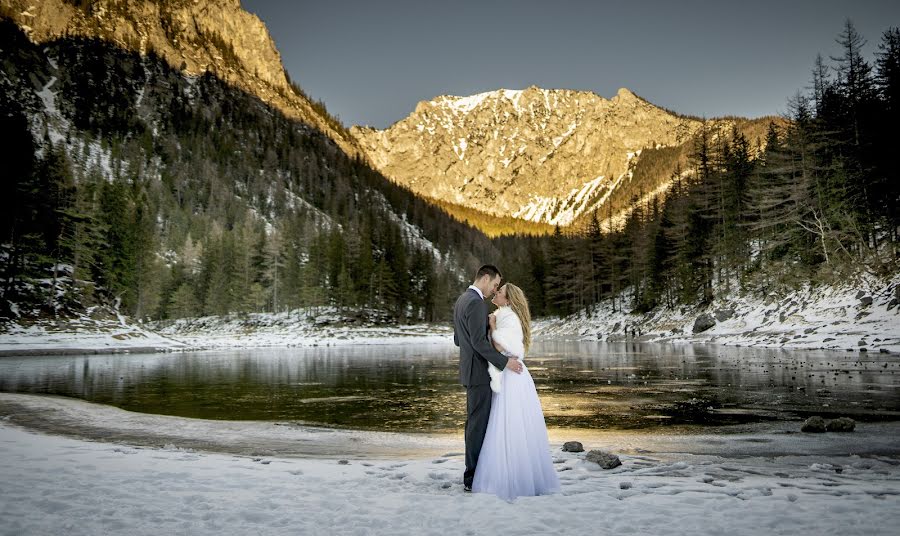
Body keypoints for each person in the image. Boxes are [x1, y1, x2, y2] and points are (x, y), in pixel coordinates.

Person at [471, 283, 561, 501]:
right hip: (514, 374)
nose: (496, 293)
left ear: (509, 300)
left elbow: (499, 348)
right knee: (516, 424)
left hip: (512, 376)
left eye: (500, 292)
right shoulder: (506, 314)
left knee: (508, 424)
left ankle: (510, 480)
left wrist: (492, 326)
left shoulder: (507, 317)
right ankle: (520, 476)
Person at [453, 265, 523, 492]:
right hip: (478, 373)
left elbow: (458, 339)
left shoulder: (462, 299)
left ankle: (475, 475)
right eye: (495, 285)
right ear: (485, 278)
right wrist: (505, 362)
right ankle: (472, 479)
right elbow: (478, 343)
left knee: (475, 423)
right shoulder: (474, 303)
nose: (495, 290)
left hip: (470, 370)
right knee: (477, 426)